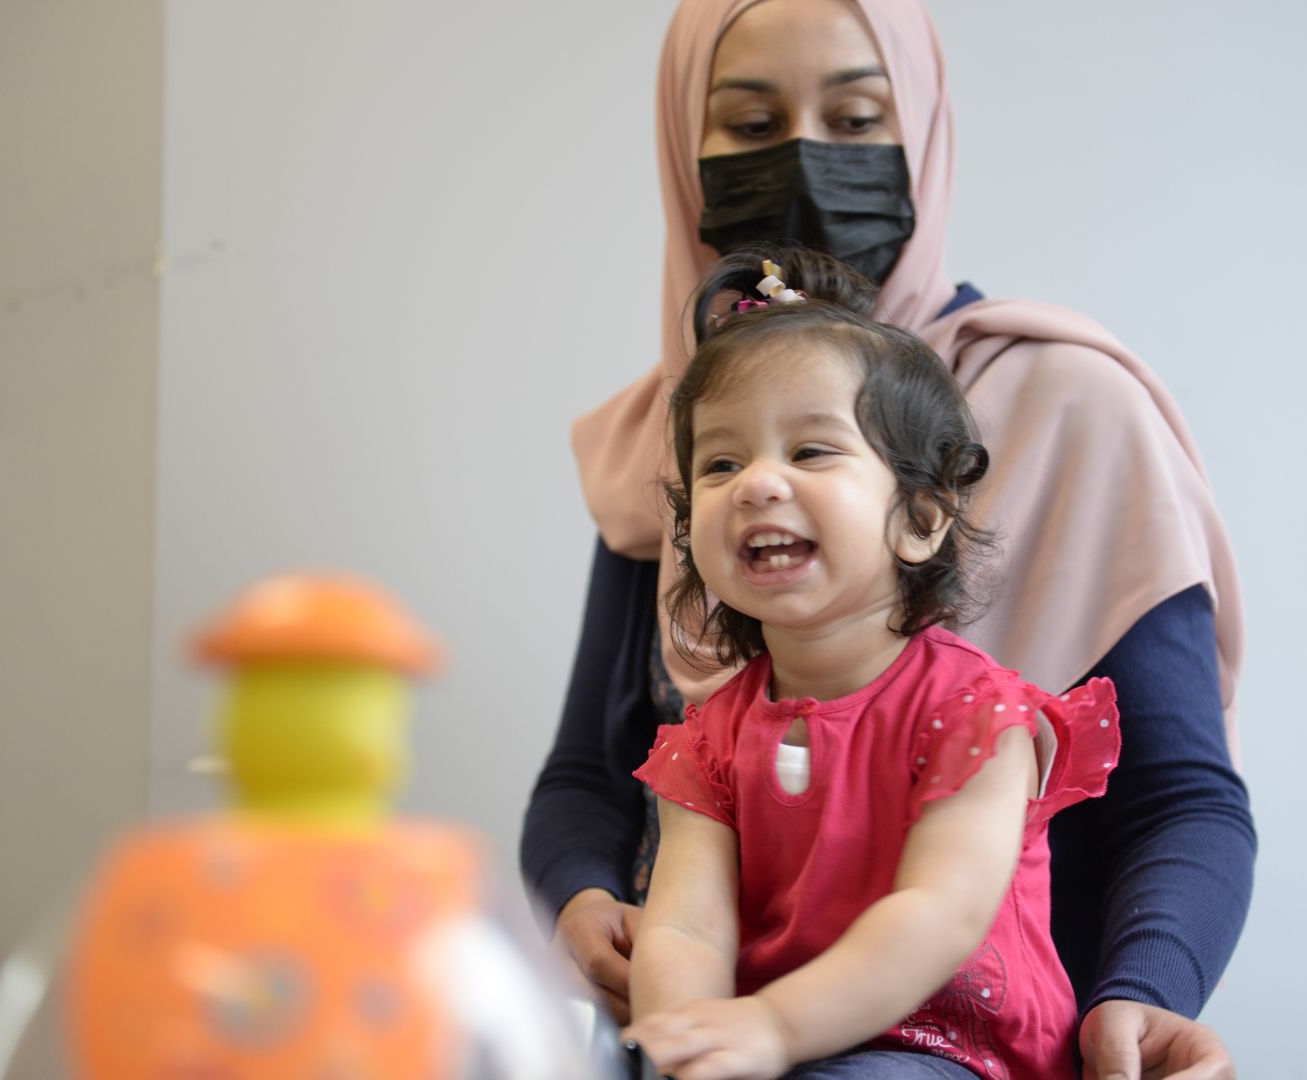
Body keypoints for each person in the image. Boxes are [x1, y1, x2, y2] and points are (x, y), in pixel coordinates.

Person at [522, 2, 1255, 1077]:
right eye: (749, 121)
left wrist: (1140, 993)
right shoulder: (670, 436)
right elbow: (588, 774)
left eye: (858, 117)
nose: (808, 160)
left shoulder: (1068, 407)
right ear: (688, 152)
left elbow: (1181, 795)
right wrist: (593, 910)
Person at [620, 246, 1122, 1080]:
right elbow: (684, 928)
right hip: (770, 1046)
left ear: (920, 518)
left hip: (945, 1049)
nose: (757, 484)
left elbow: (939, 911)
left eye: (811, 452)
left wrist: (778, 1028)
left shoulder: (975, 713)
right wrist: (686, 1045)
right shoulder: (706, 741)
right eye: (721, 462)